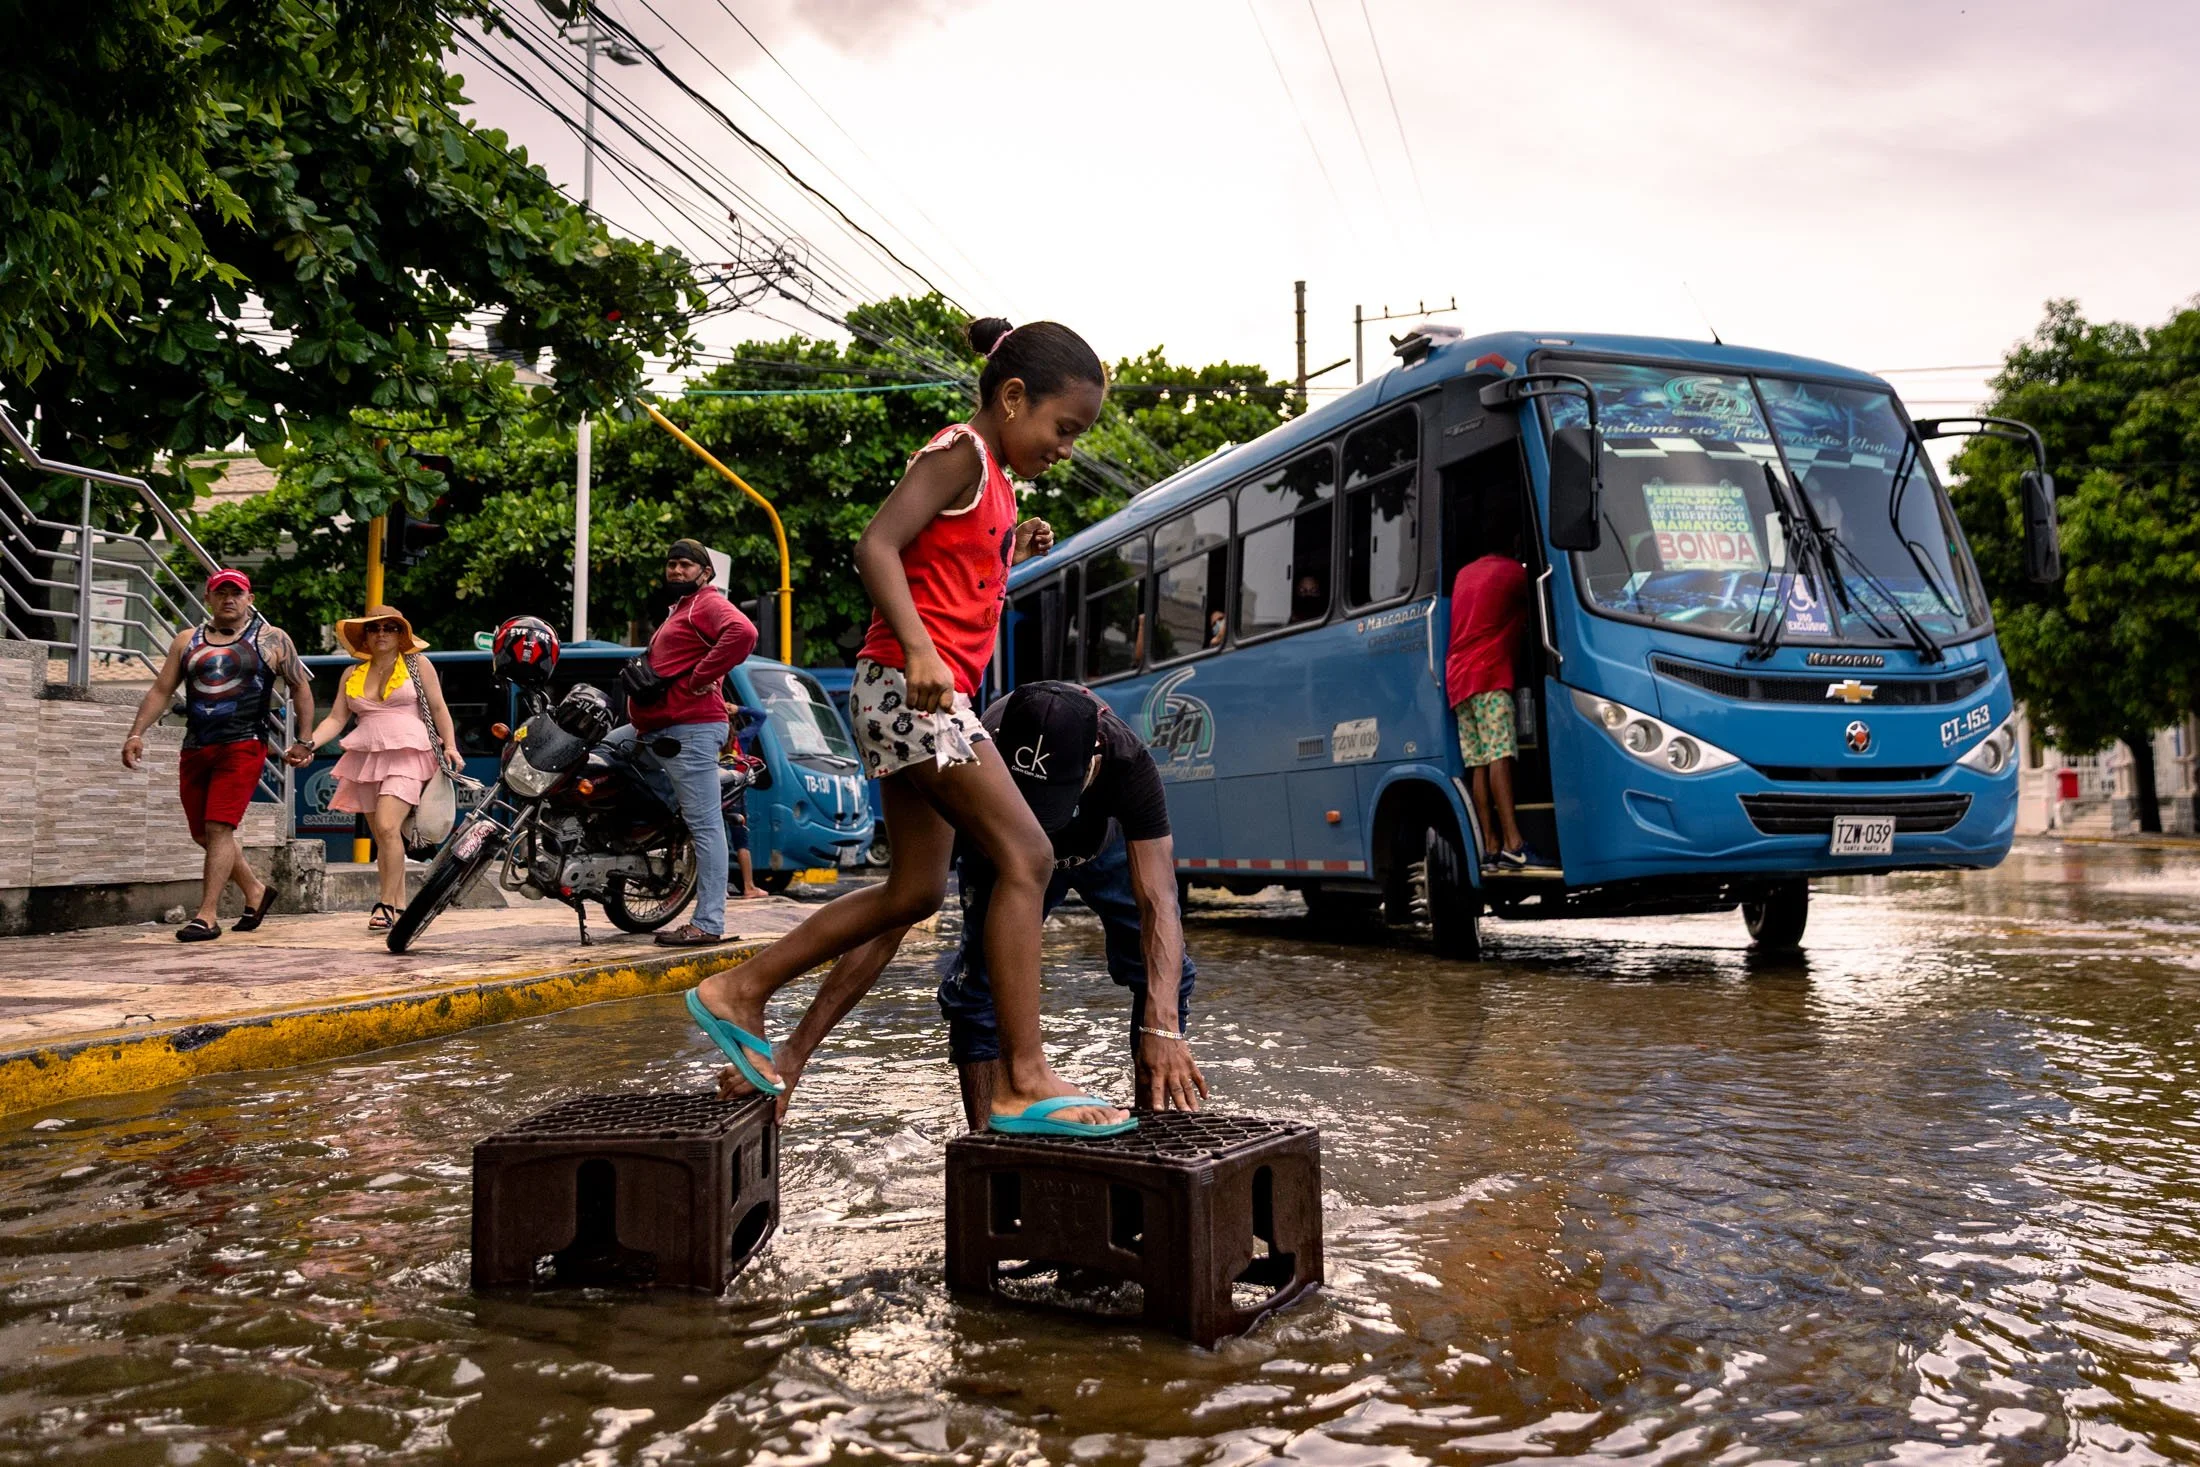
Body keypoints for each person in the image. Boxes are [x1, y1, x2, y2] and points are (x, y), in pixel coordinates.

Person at [685, 316, 1132, 1138]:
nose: (1067, 448)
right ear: (1012, 397)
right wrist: (921, 650)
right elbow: (878, 546)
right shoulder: (962, 450)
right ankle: (1023, 1077)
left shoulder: (996, 481)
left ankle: (743, 990)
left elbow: (950, 572)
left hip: (916, 695)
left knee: (914, 893)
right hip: (910, 690)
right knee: (1028, 855)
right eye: (1064, 428)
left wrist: (1012, 548)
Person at [727, 681, 1208, 1128]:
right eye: (1027, 803)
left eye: (1049, 806)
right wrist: (795, 1055)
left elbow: (1159, 904)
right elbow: (890, 923)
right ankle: (989, 1139)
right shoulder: (965, 756)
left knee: (1163, 979)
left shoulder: (1127, 761)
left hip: (1101, 849)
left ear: (1093, 763)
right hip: (999, 849)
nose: (1039, 825)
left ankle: (1153, 1124)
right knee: (977, 990)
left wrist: (1163, 1029)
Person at [120, 569, 316, 941]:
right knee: (202, 834)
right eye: (221, 593)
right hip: (196, 744)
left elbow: (300, 687)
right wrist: (136, 732)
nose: (229, 599)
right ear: (208, 598)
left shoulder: (272, 638)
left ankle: (206, 916)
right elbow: (162, 689)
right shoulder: (186, 640)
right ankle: (256, 890)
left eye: (236, 593)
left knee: (219, 828)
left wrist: (304, 740)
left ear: (249, 599)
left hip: (244, 743)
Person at [616, 539, 760, 946]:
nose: (676, 570)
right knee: (606, 752)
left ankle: (708, 924)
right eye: (671, 564)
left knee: (706, 826)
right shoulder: (681, 609)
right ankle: (662, 822)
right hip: (654, 730)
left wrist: (700, 677)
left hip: (690, 728)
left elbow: (744, 632)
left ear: (705, 573)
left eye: (685, 564)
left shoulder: (706, 603)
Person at [303, 606, 463, 932]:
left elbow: (438, 707)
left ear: (401, 634)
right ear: (365, 635)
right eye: (374, 628)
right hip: (366, 756)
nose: (381, 633)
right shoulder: (352, 673)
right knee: (383, 835)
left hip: (409, 753)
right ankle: (400, 905)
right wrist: (308, 745)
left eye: (390, 628)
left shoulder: (418, 664)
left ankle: (385, 903)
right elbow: (336, 719)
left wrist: (450, 745)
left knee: (389, 826)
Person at [1445, 520, 1547, 869]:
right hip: (1489, 674)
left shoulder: (1464, 574)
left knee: (1478, 762)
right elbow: (1544, 604)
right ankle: (1514, 844)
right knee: (1499, 755)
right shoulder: (1512, 572)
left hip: (1459, 680)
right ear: (1513, 545)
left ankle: (1490, 846)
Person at [726, 701, 768, 901]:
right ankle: (749, 887)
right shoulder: (740, 740)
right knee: (741, 841)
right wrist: (739, 709)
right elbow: (761, 716)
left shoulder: (709, 743)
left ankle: (719, 888)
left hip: (713, 794)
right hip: (735, 796)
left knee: (714, 839)